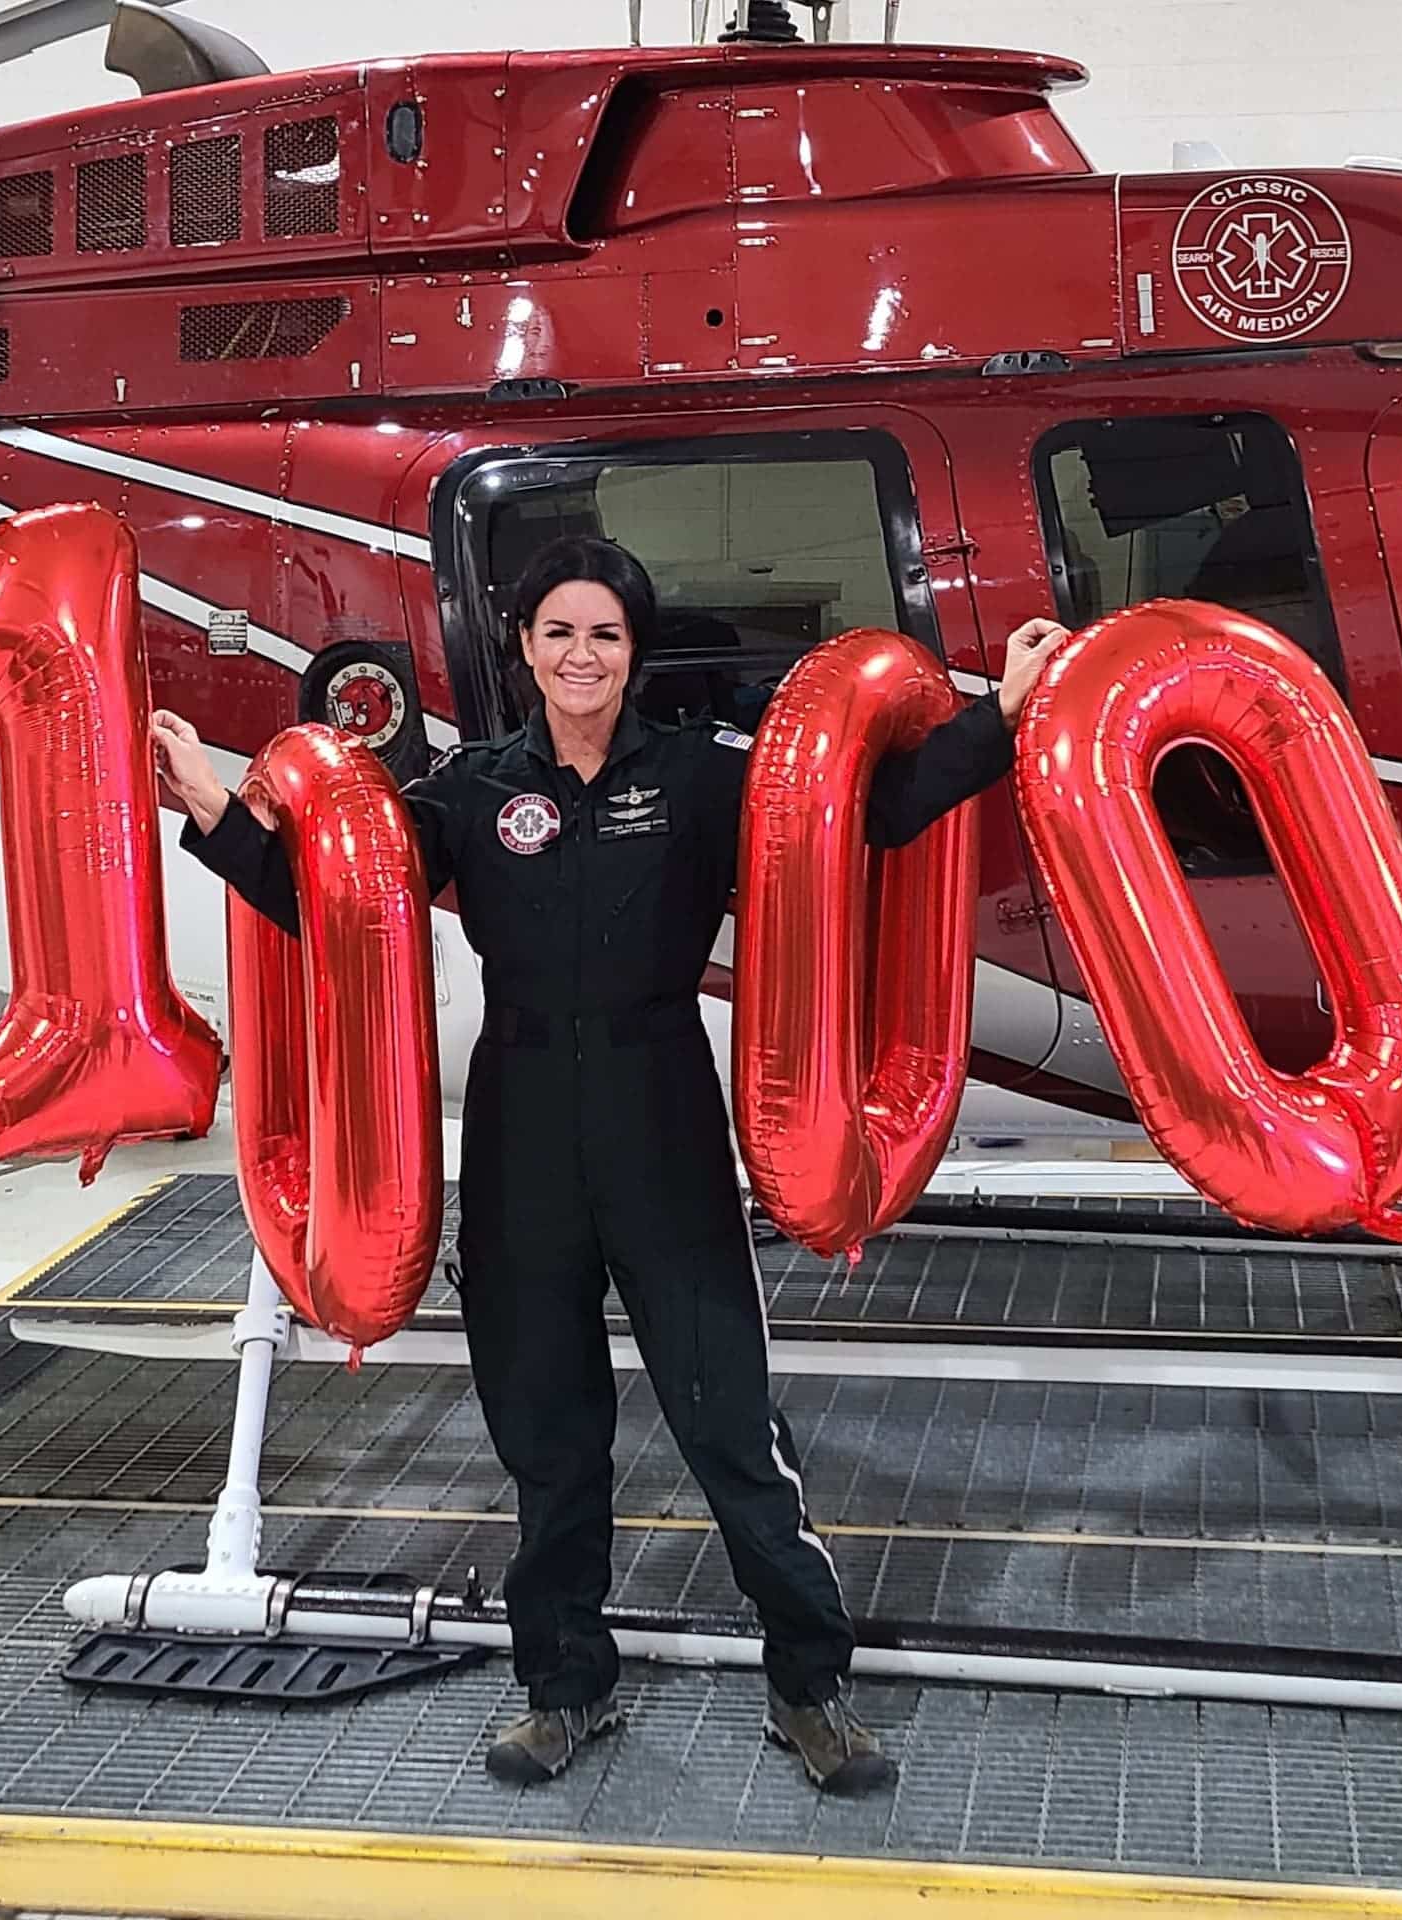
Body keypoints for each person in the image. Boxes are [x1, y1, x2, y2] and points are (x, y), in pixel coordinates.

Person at [153, 537, 1067, 1796]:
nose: (582, 657)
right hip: (522, 1133)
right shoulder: (470, 790)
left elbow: (876, 815)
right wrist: (212, 809)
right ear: (525, 649)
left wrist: (998, 717)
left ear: (634, 654)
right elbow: (337, 908)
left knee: (729, 1427)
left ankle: (810, 1686)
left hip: (662, 1123)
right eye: (560, 634)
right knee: (549, 1438)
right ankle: (564, 1686)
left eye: (606, 635)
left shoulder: (703, 779)